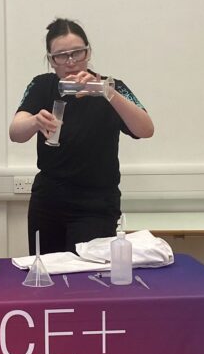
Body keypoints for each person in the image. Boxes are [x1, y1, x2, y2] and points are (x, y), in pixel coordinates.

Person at [9, 18, 154, 255]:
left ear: (88, 52)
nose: (71, 62)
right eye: (61, 55)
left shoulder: (111, 87)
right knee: (48, 271)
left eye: (77, 53)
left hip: (96, 203)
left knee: (88, 277)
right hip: (49, 200)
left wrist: (105, 92)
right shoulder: (41, 85)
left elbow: (145, 129)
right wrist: (35, 121)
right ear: (51, 61)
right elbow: (15, 132)